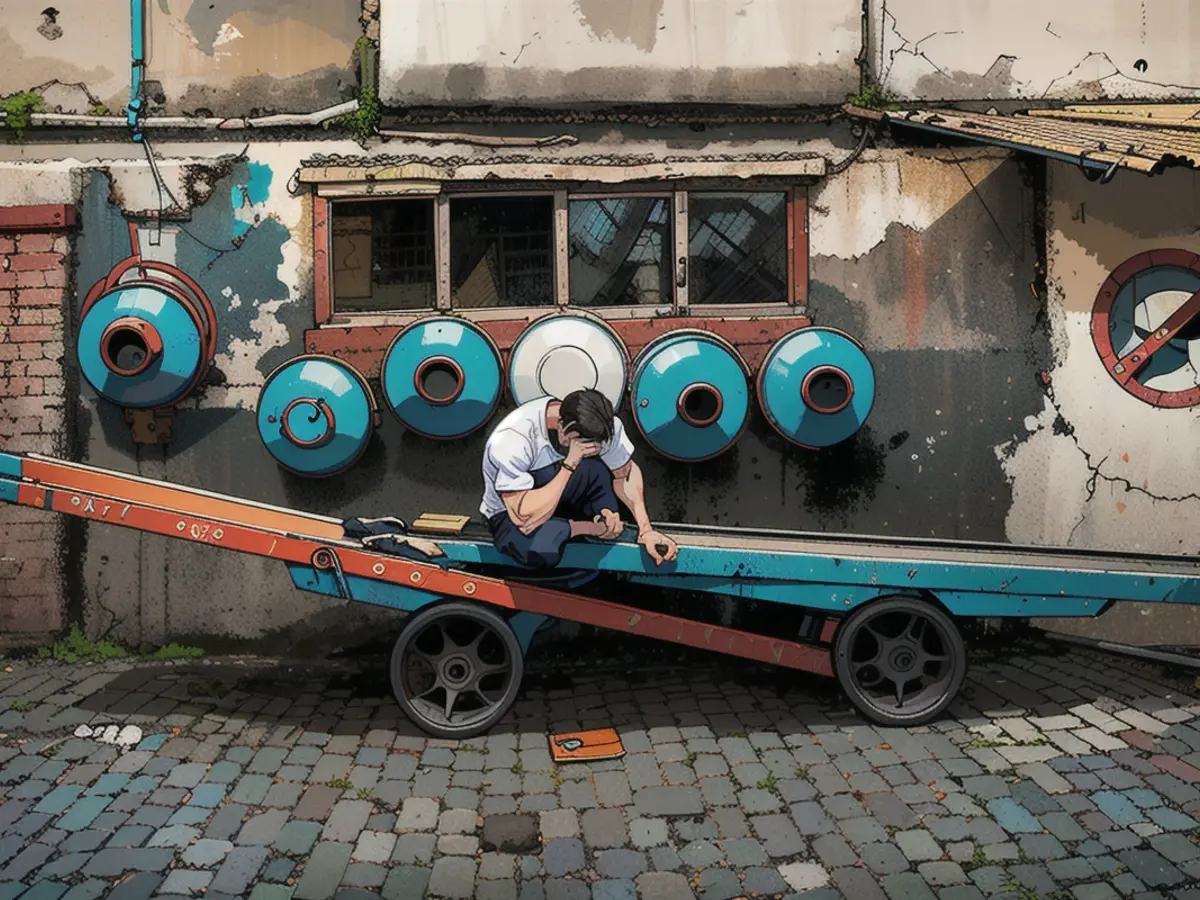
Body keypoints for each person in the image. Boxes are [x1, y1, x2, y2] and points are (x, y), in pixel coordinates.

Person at [480, 388, 680, 570]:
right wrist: (570, 464)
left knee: (597, 471)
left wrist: (646, 530)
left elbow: (624, 473)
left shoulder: (605, 425)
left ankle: (599, 522)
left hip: (558, 492)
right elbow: (524, 520)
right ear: (561, 425)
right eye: (581, 442)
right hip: (510, 513)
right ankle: (579, 528)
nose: (586, 447)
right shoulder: (513, 439)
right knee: (541, 550)